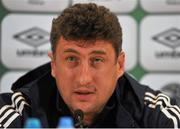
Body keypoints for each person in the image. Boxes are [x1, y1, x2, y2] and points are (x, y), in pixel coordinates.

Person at [0, 3, 179, 128]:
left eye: (97, 60)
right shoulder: (17, 112)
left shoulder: (156, 116)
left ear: (119, 65)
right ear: (53, 64)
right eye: (71, 59)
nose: (83, 78)